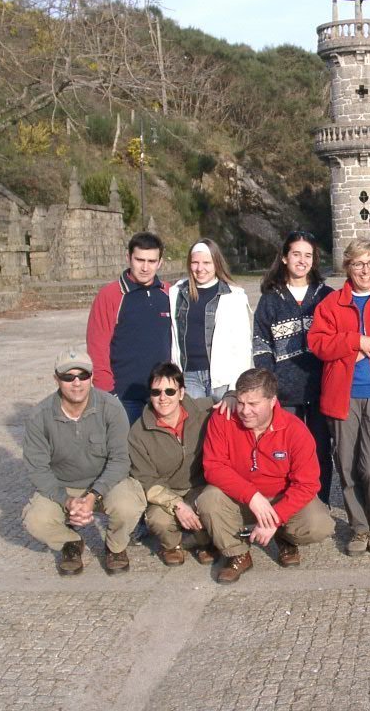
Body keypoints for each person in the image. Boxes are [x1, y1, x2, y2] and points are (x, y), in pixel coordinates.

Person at [308, 239, 370, 556]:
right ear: (347, 267)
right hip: (342, 396)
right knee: (348, 466)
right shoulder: (331, 304)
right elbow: (319, 344)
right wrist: (357, 342)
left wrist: (368, 346)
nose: (365, 270)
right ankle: (359, 527)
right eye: (358, 264)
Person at [196, 368, 335, 584]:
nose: (244, 411)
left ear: (272, 401)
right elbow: (213, 466)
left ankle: (284, 536)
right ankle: (238, 553)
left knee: (319, 524)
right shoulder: (222, 419)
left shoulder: (294, 429)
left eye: (253, 404)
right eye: (241, 402)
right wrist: (252, 496)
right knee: (208, 500)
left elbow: (307, 484)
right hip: (239, 498)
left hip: (281, 496)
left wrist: (276, 517)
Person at [22, 347, 146, 576]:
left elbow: (120, 459)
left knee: (129, 504)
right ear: (56, 379)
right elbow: (38, 470)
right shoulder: (39, 416)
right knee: (35, 519)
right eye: (68, 377)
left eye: (83, 376)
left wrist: (92, 496)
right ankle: (70, 542)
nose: (76, 383)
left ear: (92, 377)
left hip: (106, 482)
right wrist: (67, 501)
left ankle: (115, 546)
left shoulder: (111, 407)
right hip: (64, 485)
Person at [252, 231, 334, 504]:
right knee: (286, 451)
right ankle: (291, 503)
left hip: (321, 386)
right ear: (285, 258)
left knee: (321, 449)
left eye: (307, 255)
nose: (302, 260)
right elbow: (262, 347)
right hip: (285, 392)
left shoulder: (326, 295)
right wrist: (270, 386)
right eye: (296, 254)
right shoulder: (270, 299)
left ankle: (319, 502)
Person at [128, 362, 216, 566]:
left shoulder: (202, 410)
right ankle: (172, 545)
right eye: (156, 392)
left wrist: (229, 398)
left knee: (212, 508)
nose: (163, 397)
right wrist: (177, 505)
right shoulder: (138, 432)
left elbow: (227, 400)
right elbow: (145, 480)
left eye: (170, 391)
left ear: (181, 393)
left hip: (199, 486)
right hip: (165, 491)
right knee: (158, 520)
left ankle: (203, 541)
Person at [87, 231, 171, 425]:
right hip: (124, 396)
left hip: (161, 394)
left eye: (151, 261)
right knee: (124, 453)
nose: (145, 267)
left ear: (160, 263)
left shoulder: (168, 293)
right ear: (128, 258)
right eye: (139, 260)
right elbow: (97, 347)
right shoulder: (110, 295)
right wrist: (108, 393)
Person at [168, 238, 252, 401]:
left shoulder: (234, 296)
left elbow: (242, 346)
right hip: (189, 376)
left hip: (223, 378)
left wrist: (235, 388)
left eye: (206, 262)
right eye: (195, 263)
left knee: (222, 425)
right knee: (196, 425)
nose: (200, 268)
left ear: (216, 263)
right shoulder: (176, 293)